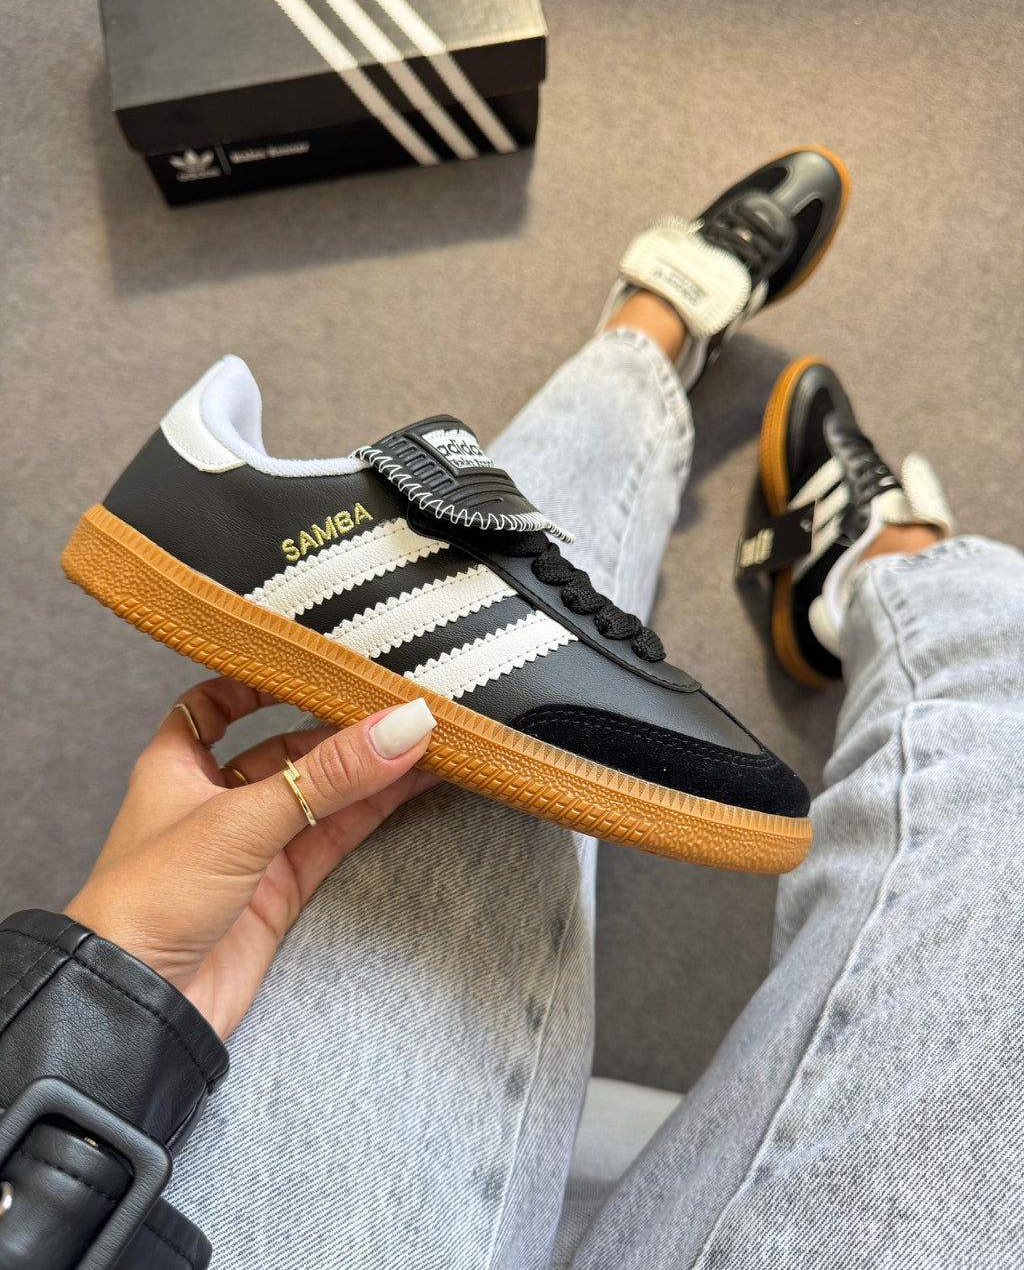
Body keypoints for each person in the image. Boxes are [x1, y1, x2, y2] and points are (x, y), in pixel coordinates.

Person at [2, 148, 1021, 1269]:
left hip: (117, 1202)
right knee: (1002, 748)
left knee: (498, 591)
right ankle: (883, 566)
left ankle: (651, 332)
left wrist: (98, 996)